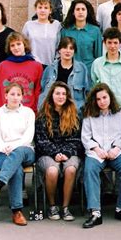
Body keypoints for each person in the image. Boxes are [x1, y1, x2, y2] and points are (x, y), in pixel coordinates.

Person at [81, 83, 121, 228]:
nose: (102, 101)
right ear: (95, 101)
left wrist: (115, 149)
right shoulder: (89, 115)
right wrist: (97, 149)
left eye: (104, 97)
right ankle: (95, 212)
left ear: (110, 97)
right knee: (89, 170)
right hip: (96, 153)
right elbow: (85, 137)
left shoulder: (120, 113)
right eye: (98, 99)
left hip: (115, 152)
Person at [0, 82, 36, 226]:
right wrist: (2, 147)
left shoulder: (28, 113)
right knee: (16, 169)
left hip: (25, 150)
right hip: (2, 151)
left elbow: (28, 137)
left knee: (18, 153)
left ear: (22, 97)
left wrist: (13, 147)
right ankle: (17, 211)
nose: (15, 97)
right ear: (6, 95)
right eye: (12, 94)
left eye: (18, 94)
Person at [35, 82, 82, 222]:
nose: (61, 97)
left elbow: (77, 140)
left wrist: (66, 154)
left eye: (64, 94)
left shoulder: (74, 114)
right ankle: (52, 205)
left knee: (71, 169)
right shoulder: (43, 115)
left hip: (69, 152)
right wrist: (55, 153)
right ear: (51, 95)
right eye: (57, 93)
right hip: (48, 153)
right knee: (52, 171)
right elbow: (41, 141)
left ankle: (66, 207)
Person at [38, 37, 91, 118]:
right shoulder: (50, 69)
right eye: (65, 47)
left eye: (71, 48)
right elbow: (42, 90)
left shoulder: (82, 69)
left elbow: (87, 93)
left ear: (74, 51)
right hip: (52, 114)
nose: (68, 51)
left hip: (74, 114)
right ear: (59, 50)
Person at [0, 32, 43, 114]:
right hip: (5, 112)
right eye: (12, 45)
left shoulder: (36, 66)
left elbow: (38, 91)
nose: (16, 48)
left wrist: (36, 112)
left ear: (25, 45)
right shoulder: (2, 66)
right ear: (9, 48)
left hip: (28, 112)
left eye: (18, 44)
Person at [91, 27, 121, 115]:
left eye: (115, 43)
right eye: (109, 43)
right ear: (104, 43)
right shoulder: (97, 64)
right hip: (103, 110)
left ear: (120, 43)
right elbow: (94, 87)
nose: (112, 46)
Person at [61, 0, 102, 72]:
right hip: (70, 71)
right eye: (77, 9)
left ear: (87, 12)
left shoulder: (95, 31)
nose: (80, 12)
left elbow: (98, 55)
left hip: (89, 71)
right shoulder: (66, 31)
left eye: (83, 9)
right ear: (73, 12)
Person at [22, 0, 61, 67]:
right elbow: (23, 45)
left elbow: (59, 45)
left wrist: (56, 62)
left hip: (51, 65)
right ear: (36, 9)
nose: (42, 10)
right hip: (32, 64)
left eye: (46, 8)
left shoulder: (56, 25)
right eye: (40, 7)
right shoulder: (28, 25)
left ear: (50, 10)